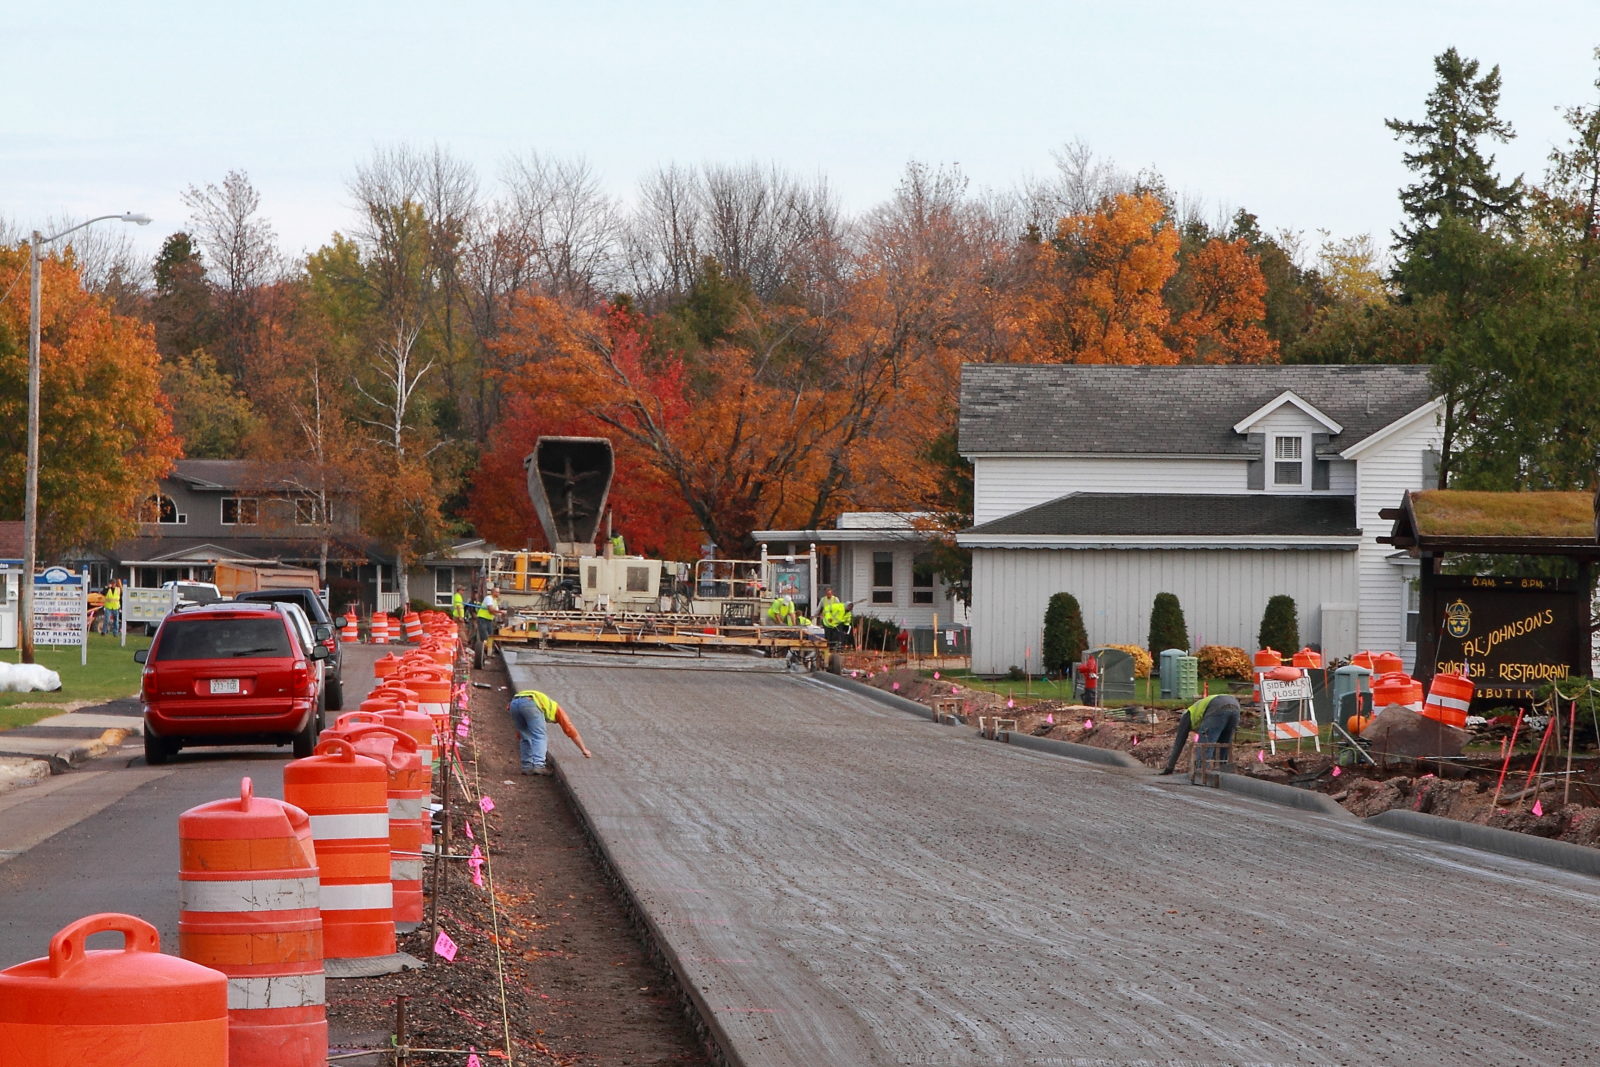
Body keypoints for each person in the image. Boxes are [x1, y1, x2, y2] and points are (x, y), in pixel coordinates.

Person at [508, 689, 592, 775]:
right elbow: (570, 730)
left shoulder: (546, 705)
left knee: (525, 737)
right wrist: (584, 749)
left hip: (513, 704)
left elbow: (521, 732)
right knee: (539, 736)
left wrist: (521, 733)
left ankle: (526, 767)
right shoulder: (557, 709)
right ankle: (539, 765)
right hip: (530, 703)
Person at [1159, 692, 1241, 775]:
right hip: (1235, 706)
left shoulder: (1187, 717)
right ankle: (1224, 774)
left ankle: (1201, 773)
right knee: (1224, 744)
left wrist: (1170, 767)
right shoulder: (1199, 711)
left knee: (1204, 745)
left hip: (1217, 706)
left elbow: (1179, 743)